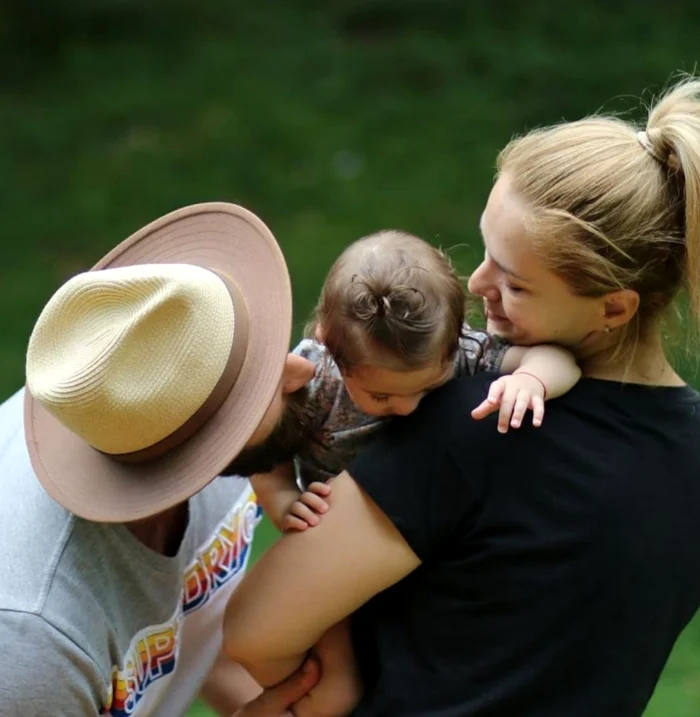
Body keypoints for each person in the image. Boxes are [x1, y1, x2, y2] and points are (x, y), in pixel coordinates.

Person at [222, 77, 700, 717]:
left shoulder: (483, 421)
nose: (477, 284)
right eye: (485, 252)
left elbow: (256, 630)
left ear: (614, 306)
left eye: (517, 284)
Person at [0, 202, 323, 716]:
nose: (302, 370)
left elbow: (184, 634)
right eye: (258, 386)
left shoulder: (154, 403)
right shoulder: (33, 641)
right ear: (189, 448)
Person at [253, 229, 580, 533]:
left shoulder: (463, 354)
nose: (408, 408)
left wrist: (530, 378)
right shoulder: (316, 379)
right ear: (330, 348)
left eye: (429, 387)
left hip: (432, 528)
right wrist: (283, 498)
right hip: (341, 533)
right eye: (381, 396)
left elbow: (560, 360)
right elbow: (264, 439)